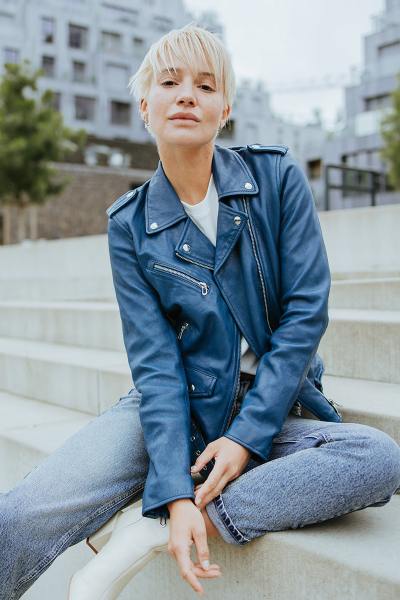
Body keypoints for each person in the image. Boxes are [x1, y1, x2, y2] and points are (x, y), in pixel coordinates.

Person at [1, 22, 400, 600]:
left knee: (376, 457)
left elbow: (305, 314)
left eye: (206, 85)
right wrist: (173, 482)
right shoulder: (129, 225)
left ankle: (151, 530)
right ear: (145, 105)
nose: (187, 94)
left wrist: (241, 442)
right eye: (170, 82)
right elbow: (156, 364)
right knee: (20, 516)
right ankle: (170, 503)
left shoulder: (277, 177)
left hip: (270, 403)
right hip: (169, 409)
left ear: (226, 109)